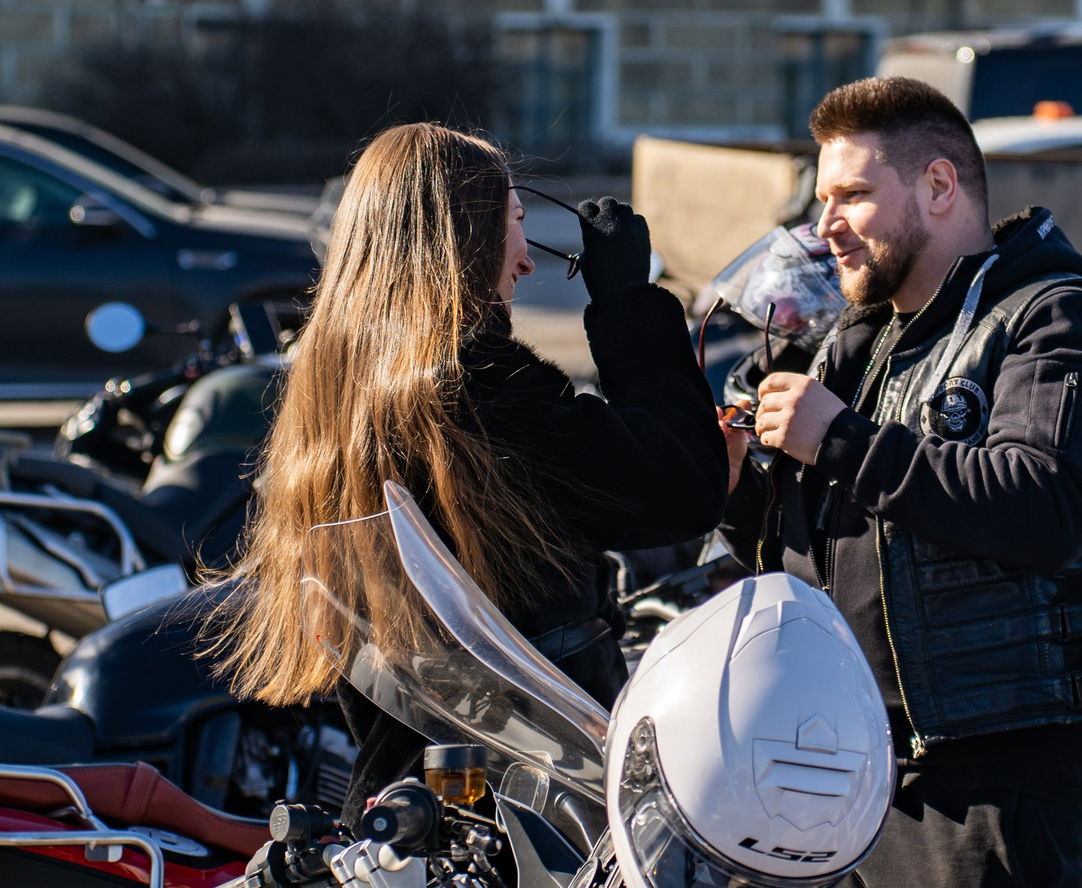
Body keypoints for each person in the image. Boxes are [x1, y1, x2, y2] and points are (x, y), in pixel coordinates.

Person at [722, 77, 1082, 888]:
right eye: (821, 200)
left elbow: (1043, 504)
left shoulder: (1053, 317)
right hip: (863, 780)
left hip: (988, 782)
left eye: (851, 196)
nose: (824, 224)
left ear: (940, 184)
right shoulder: (864, 343)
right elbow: (815, 539)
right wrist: (740, 476)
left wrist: (843, 441)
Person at [217, 122, 726, 812]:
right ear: (465, 241)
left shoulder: (340, 386)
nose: (525, 261)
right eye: (515, 223)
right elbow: (682, 491)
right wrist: (626, 300)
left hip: (413, 798)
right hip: (523, 813)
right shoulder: (479, 385)